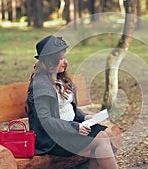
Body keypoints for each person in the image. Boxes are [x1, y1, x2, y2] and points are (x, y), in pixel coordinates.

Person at [26, 35, 119, 169]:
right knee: (101, 140)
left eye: (64, 57)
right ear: (49, 61)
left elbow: (69, 108)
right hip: (53, 139)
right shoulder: (40, 85)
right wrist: (75, 127)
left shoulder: (61, 79)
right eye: (60, 59)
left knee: (107, 133)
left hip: (69, 130)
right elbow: (45, 121)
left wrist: (86, 118)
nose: (65, 62)